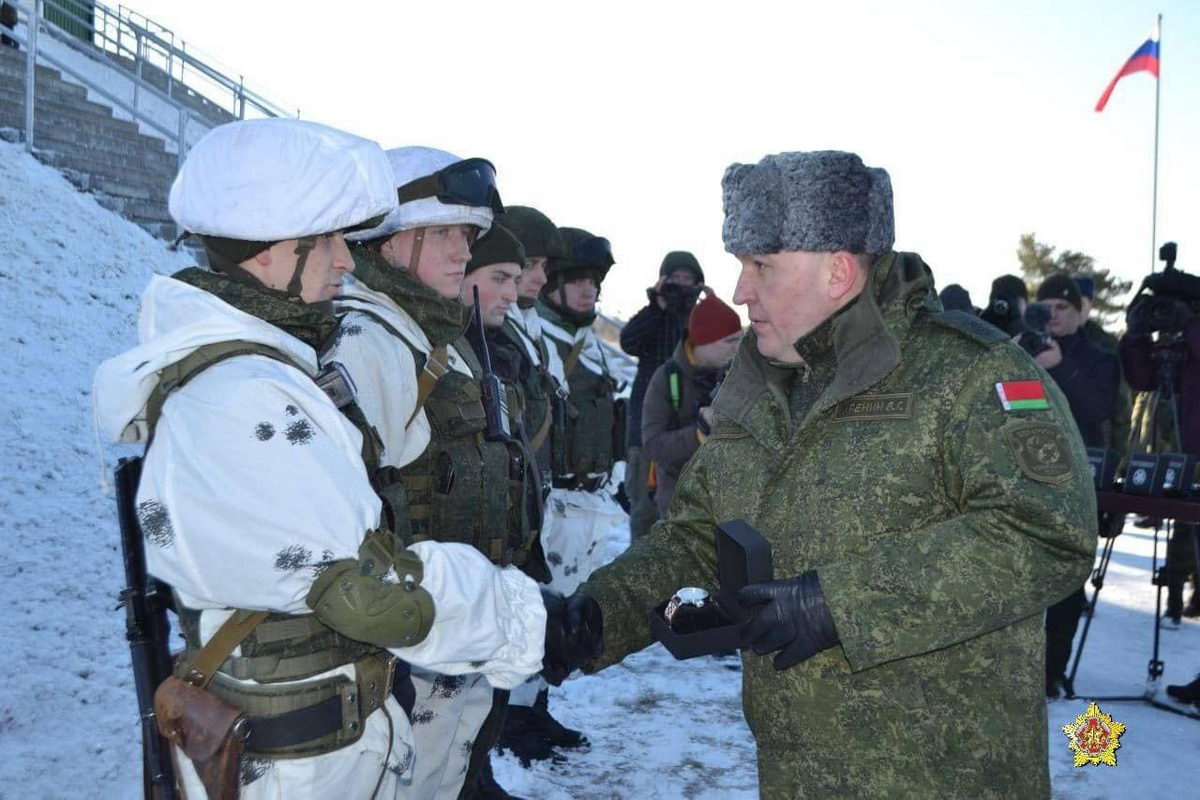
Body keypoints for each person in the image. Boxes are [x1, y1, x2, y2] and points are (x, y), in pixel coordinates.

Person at [570, 150, 1096, 799]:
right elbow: (699, 532)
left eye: (760, 266)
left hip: (944, 778)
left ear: (838, 271)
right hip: (797, 772)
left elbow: (1046, 534)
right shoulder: (757, 381)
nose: (739, 292)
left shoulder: (969, 376)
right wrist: (596, 615)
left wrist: (837, 606)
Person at [92, 119, 559, 799]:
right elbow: (362, 586)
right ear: (272, 251)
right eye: (332, 240)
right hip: (301, 751)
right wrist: (536, 624)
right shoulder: (245, 393)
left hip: (329, 728)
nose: (347, 258)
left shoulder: (259, 374)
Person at [323, 147, 578, 800]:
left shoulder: (433, 342)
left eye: (466, 234)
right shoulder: (366, 344)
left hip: (455, 640)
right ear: (388, 238)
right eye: (443, 233)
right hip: (405, 652)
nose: (463, 250)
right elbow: (331, 528)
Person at [491, 206, 596, 769]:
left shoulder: (531, 333)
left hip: (540, 497)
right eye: (526, 266)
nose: (535, 278)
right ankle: (506, 723)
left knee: (542, 609)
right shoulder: (497, 328)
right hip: (509, 502)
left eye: (536, 267)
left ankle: (529, 709)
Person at [1032, 274, 1117, 698]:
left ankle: (1052, 672)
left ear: (1079, 311)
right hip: (1024, 477)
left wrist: (1059, 368)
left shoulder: (1098, 357)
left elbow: (1099, 407)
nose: (1053, 314)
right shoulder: (1019, 349)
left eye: (1061, 306)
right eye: (1045, 305)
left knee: (1065, 583)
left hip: (1076, 480)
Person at [1120, 302, 1200, 623]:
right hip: (1176, 451)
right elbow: (1143, 379)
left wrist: (1191, 324)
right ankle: (1175, 598)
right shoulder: (1176, 345)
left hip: (1192, 444)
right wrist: (1136, 337)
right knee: (1182, 529)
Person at [620, 251, 705, 540]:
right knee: (644, 514)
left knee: (687, 518)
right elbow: (628, 341)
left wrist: (711, 306)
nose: (681, 285)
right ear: (662, 281)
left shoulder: (701, 320)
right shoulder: (653, 315)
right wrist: (656, 305)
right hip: (646, 433)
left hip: (691, 435)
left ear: (698, 283)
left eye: (688, 279)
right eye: (675, 279)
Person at [641, 292, 741, 517]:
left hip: (729, 501)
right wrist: (699, 433)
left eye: (740, 339)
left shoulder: (738, 373)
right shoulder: (667, 379)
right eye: (730, 341)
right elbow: (653, 445)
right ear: (704, 340)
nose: (737, 348)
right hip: (681, 504)